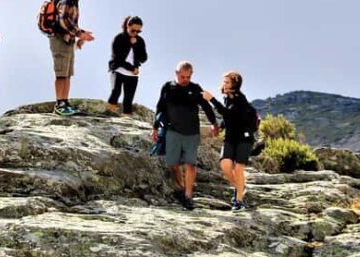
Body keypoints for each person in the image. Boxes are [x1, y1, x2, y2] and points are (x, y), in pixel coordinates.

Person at [152, 61, 219, 210]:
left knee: (190, 164)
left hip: (191, 132)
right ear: (176, 74)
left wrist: (214, 123)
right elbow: (160, 107)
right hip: (172, 130)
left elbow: (206, 106)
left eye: (188, 77)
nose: (185, 80)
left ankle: (188, 196)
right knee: (174, 163)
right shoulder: (168, 87)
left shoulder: (195, 89)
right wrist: (155, 128)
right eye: (182, 76)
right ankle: (182, 189)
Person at [203, 71, 256, 211]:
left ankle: (239, 201)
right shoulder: (227, 98)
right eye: (224, 82)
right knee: (225, 165)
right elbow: (229, 118)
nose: (224, 85)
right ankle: (240, 187)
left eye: (227, 82)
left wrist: (212, 99)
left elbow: (229, 114)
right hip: (231, 137)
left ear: (235, 84)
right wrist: (219, 126)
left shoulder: (240, 99)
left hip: (244, 138)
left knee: (238, 169)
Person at [51, 0, 95, 116]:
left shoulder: (74, 0)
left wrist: (80, 34)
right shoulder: (67, 0)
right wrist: (80, 34)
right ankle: (59, 104)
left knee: (68, 73)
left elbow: (71, 23)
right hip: (60, 40)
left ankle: (65, 101)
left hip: (68, 41)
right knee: (61, 73)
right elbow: (63, 21)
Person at [107, 16, 148, 115]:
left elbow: (144, 58)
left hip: (132, 74)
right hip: (118, 69)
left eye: (138, 31)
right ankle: (108, 116)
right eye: (133, 30)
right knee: (115, 93)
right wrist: (132, 67)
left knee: (128, 99)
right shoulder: (119, 38)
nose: (135, 33)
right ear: (127, 26)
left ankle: (127, 121)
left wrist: (135, 45)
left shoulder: (140, 41)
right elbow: (118, 59)